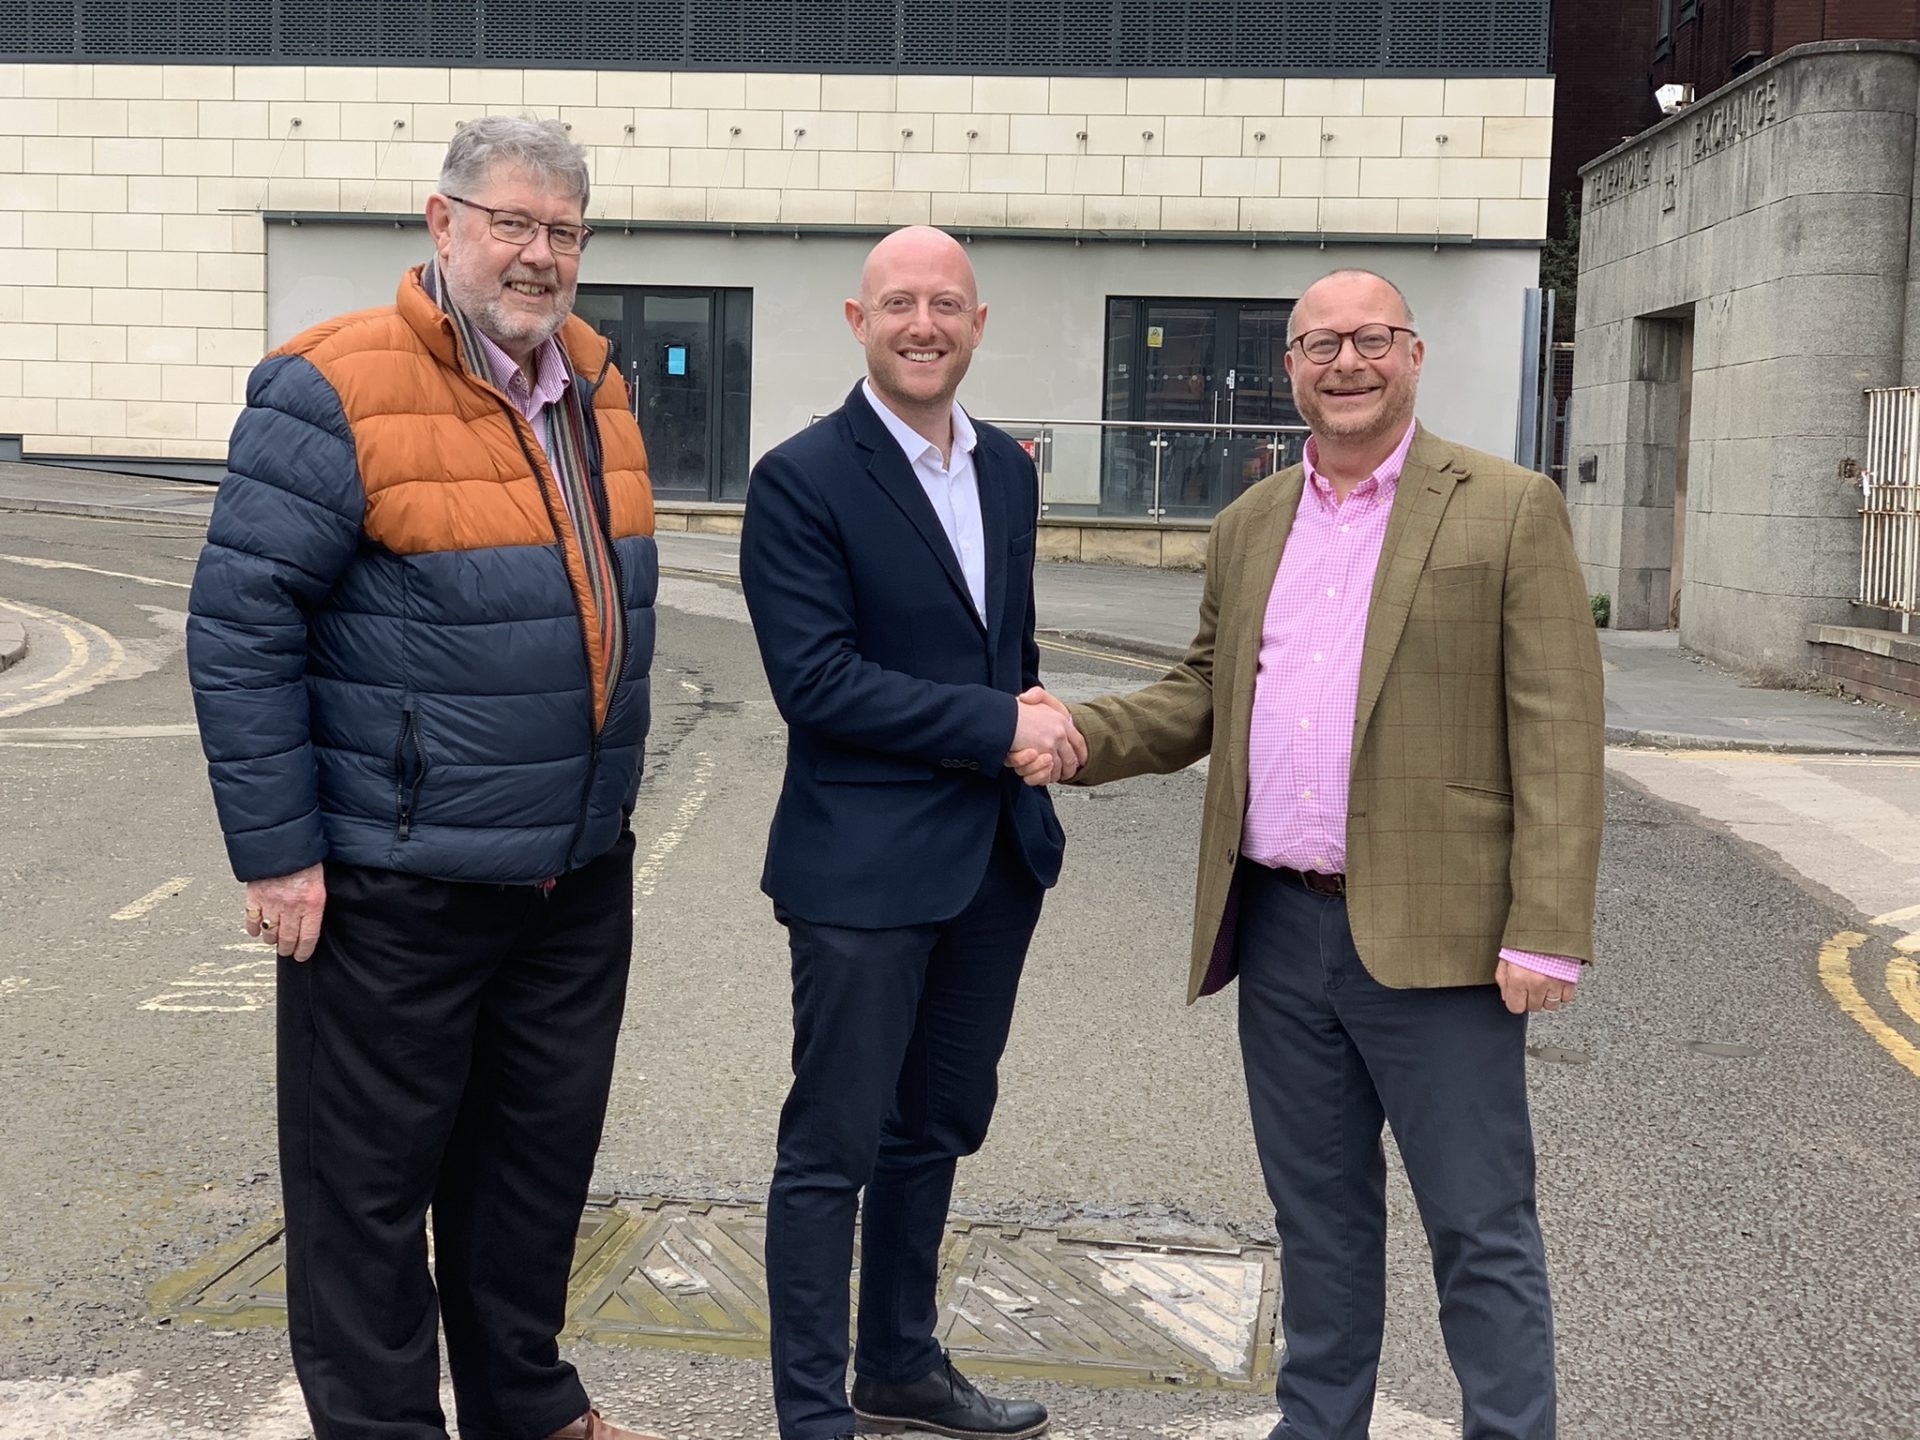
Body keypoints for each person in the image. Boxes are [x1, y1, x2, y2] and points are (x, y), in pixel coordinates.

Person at [1023, 268, 1603, 1440]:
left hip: (1442, 939)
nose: (1348, 363)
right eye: (1321, 344)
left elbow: (1558, 728)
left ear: (1413, 353)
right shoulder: (1250, 525)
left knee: (1479, 1226)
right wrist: (1080, 732)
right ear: (1289, 367)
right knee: (1319, 1223)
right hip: (1282, 933)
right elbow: (1204, 692)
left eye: (1371, 339)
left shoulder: (1507, 506)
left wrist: (1546, 928)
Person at [186, 116, 659, 1440]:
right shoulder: (331, 385)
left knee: (530, 1179)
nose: (538, 253)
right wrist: (279, 852)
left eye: (562, 230)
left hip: (570, 876)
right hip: (397, 881)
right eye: (511, 222)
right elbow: (241, 626)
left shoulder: (598, 385)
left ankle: (527, 1406)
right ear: (443, 223)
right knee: (367, 1199)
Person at [738, 226, 1078, 1440]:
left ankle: (897, 1365)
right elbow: (817, 683)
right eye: (898, 304)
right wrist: (999, 724)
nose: (922, 325)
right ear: (859, 321)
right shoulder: (800, 479)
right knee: (831, 1147)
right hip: (862, 873)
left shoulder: (1009, 472)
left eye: (945, 304)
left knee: (934, 1127)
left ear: (977, 324)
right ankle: (810, 1412)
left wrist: (1029, 713)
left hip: (991, 860)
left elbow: (1003, 648)